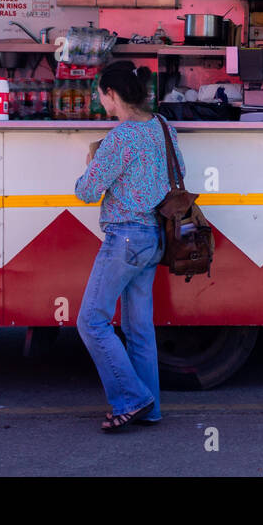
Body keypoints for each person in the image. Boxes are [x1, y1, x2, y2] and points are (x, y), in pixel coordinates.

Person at [74, 60, 183, 432]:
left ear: (113, 94)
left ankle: (131, 399)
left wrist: (92, 162)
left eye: (101, 94)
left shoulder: (120, 138)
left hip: (125, 239)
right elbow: (178, 172)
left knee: (91, 321)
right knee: (139, 329)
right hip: (155, 238)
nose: (100, 100)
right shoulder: (162, 127)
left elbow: (87, 191)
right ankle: (149, 408)